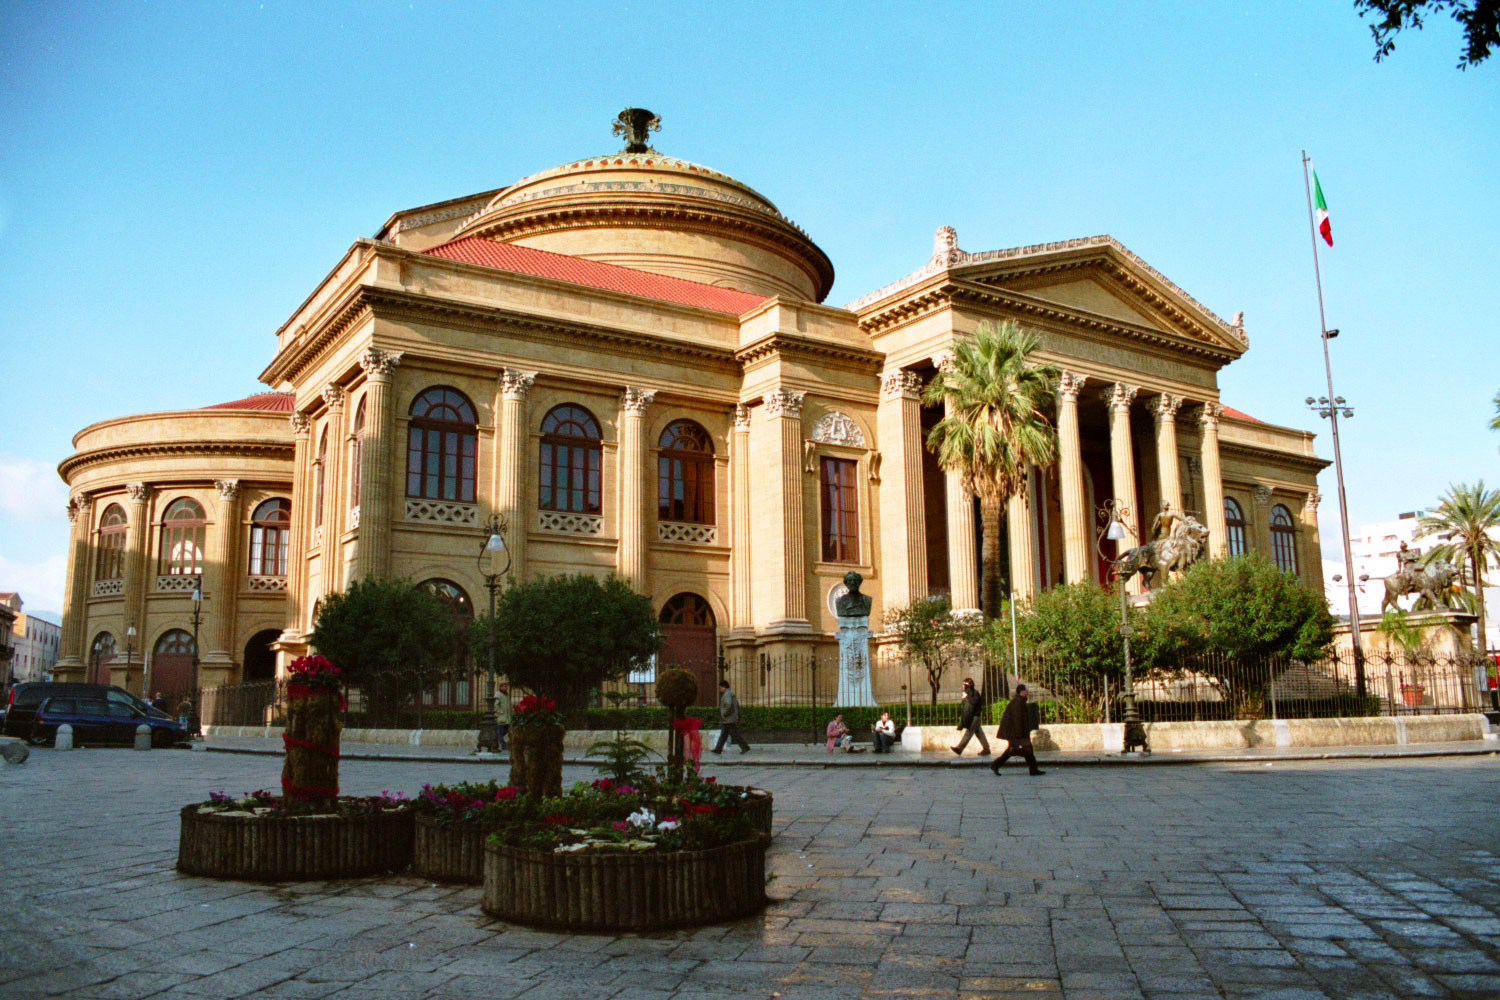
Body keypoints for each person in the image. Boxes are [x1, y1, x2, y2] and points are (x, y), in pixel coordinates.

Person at [991, 683, 1045, 776]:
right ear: (1022, 691)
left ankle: (1033, 769)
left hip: (1018, 732)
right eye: (1026, 690)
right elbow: (1017, 719)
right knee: (1018, 750)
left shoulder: (1020, 701)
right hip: (1016, 732)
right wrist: (1019, 734)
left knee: (1025, 749)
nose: (1027, 691)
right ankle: (996, 765)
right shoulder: (1017, 702)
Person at [951, 677, 990, 756]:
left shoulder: (975, 693)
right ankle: (986, 749)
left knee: (969, 732)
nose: (962, 686)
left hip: (975, 716)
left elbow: (974, 702)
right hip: (973, 716)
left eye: (964, 684)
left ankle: (959, 749)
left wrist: (967, 697)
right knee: (979, 733)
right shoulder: (969, 693)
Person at [711, 679, 750, 754]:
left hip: (729, 718)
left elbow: (729, 705)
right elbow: (736, 706)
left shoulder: (727, 694)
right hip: (729, 718)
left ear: (724, 687)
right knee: (724, 735)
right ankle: (718, 749)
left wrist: (725, 714)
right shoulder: (730, 693)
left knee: (734, 734)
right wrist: (738, 716)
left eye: (720, 687)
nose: (720, 689)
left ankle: (745, 747)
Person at [495, 683, 513, 752]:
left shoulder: (507, 695)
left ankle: (498, 741)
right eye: (505, 686)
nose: (506, 688)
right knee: (500, 732)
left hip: (507, 717)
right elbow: (495, 705)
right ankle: (503, 745)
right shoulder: (498, 694)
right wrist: (500, 712)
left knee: (505, 732)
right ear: (501, 687)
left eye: (506, 686)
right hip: (501, 717)